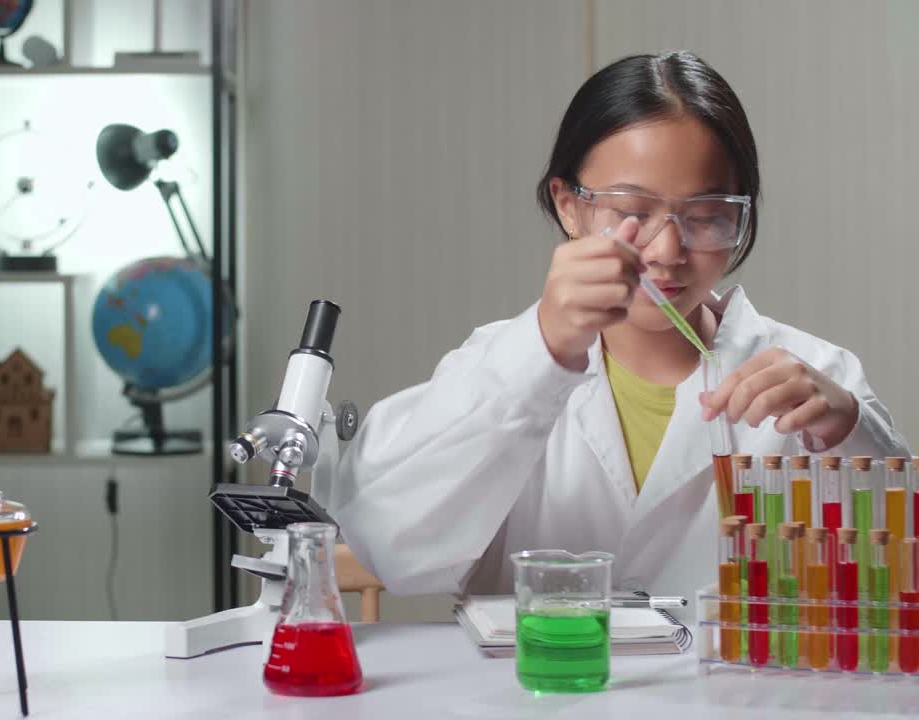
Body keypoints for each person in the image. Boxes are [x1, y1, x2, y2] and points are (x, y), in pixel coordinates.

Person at [323, 51, 910, 605]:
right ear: (569, 206)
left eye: (706, 217)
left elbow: (898, 578)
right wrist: (542, 352)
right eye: (632, 213)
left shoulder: (815, 377)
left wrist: (850, 432)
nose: (668, 249)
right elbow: (389, 543)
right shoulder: (500, 367)